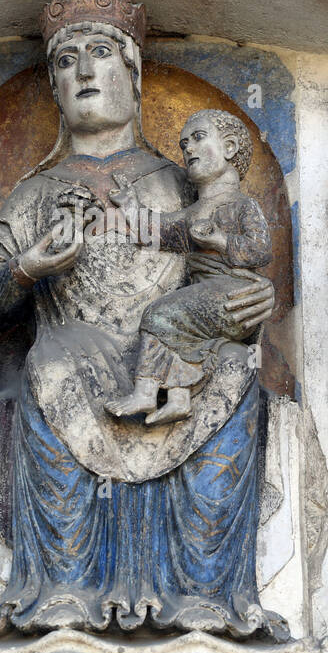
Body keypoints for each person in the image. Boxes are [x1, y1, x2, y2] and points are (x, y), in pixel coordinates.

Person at [0, 0, 285, 640]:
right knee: (50, 364)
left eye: (100, 53)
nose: (83, 70)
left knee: (233, 377)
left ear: (133, 76)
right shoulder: (34, 193)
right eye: (66, 60)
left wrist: (251, 304)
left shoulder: (181, 187)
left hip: (174, 350)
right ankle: (64, 589)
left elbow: (217, 279)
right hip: (71, 350)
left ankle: (202, 593)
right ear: (53, 85)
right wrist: (30, 267)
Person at [106, 109, 272, 424]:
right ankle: (179, 398)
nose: (188, 150)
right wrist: (130, 206)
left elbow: (260, 250)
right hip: (207, 299)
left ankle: (145, 392)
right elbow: (158, 231)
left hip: (236, 295)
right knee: (180, 327)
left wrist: (221, 239)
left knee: (160, 314)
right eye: (183, 145)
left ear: (230, 148)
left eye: (197, 138)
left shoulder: (242, 205)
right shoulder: (194, 212)